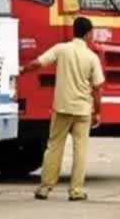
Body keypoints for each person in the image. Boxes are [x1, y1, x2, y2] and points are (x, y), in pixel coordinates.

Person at [19, 17, 104, 201]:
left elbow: (38, 63)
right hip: (82, 110)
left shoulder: (61, 49)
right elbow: (97, 89)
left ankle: (45, 187)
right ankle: (76, 190)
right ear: (89, 34)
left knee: (54, 146)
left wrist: (22, 70)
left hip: (62, 107)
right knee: (80, 150)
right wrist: (97, 111)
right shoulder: (92, 57)